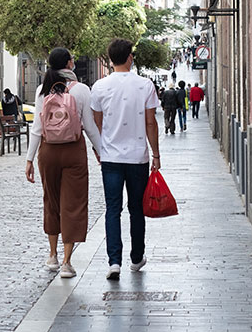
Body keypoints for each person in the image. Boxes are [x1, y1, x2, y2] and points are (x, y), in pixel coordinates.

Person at [25, 47, 101, 279]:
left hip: (47, 152)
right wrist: (101, 152)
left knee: (52, 201)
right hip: (73, 151)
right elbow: (89, 127)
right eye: (73, 59)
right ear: (69, 64)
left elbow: (37, 129)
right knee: (73, 204)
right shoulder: (81, 90)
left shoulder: (42, 89)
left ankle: (52, 256)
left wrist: (29, 159)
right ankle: (67, 262)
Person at [90, 38, 160, 280]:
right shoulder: (145, 85)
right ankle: (136, 257)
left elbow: (97, 122)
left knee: (112, 208)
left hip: (110, 157)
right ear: (130, 57)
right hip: (137, 156)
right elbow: (151, 122)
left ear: (110, 60)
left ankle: (114, 261)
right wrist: (156, 154)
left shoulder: (99, 86)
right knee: (136, 208)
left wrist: (101, 148)